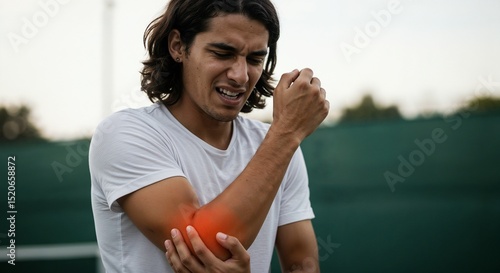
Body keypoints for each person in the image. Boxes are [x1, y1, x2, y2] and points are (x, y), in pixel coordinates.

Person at [89, 0, 329, 272]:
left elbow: (303, 266)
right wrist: (286, 132)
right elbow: (205, 247)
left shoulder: (280, 144)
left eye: (254, 59)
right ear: (178, 46)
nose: (240, 76)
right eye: (223, 53)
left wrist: (285, 136)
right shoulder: (124, 133)